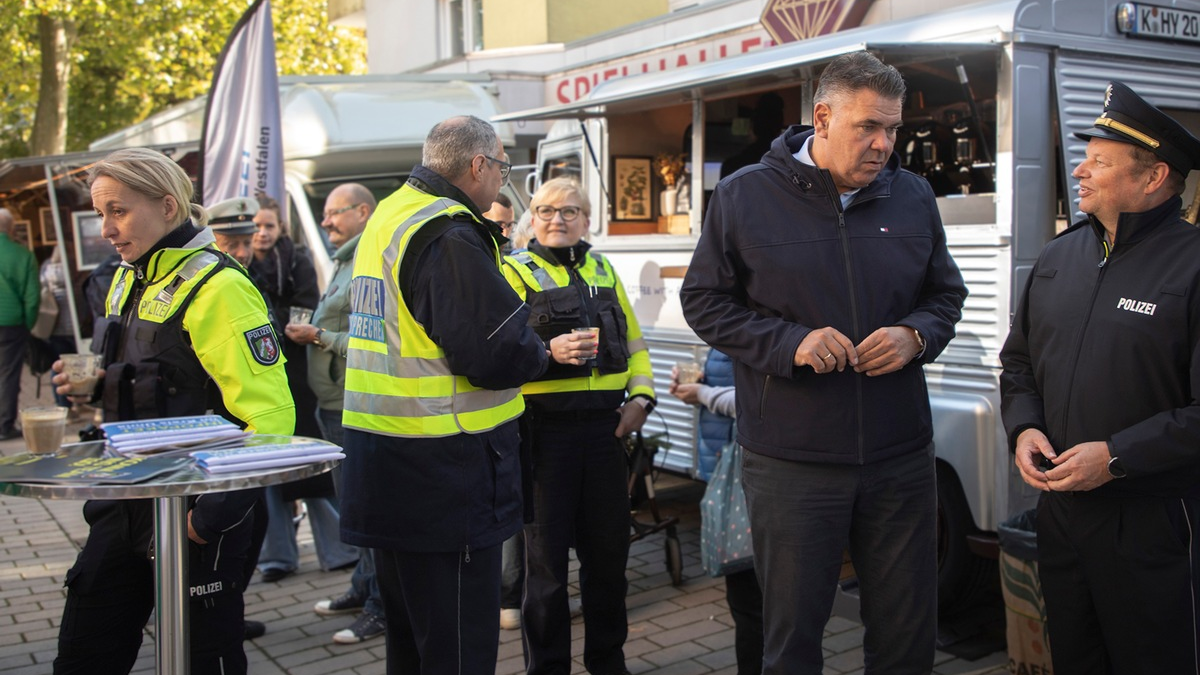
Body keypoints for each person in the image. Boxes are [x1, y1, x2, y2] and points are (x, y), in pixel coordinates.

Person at [680, 50, 967, 675]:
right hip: (793, 461)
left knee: (906, 636)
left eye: (893, 129)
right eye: (869, 126)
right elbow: (703, 301)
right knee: (792, 640)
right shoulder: (743, 196)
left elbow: (945, 296)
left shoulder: (913, 196)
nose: (884, 144)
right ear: (823, 118)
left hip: (899, 456)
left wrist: (915, 336)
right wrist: (790, 344)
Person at [50, 148, 295, 675]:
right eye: (100, 214)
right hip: (124, 501)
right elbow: (133, 381)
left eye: (118, 210)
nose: (107, 228)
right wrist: (83, 390)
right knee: (83, 653)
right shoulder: (126, 275)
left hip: (194, 514)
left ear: (166, 206)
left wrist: (208, 519)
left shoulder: (221, 286)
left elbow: (272, 419)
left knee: (204, 659)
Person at [339, 115, 560, 674]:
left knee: (412, 643)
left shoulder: (392, 213)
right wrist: (541, 350)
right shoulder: (449, 232)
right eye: (503, 168)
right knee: (458, 648)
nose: (502, 182)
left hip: (386, 461)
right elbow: (494, 354)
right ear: (478, 165)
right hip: (446, 471)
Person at [1000, 81, 1200, 675]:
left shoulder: (1192, 266)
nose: (1079, 170)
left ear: (1153, 177)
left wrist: (1114, 457)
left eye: (1099, 161)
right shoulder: (1059, 257)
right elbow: (1019, 363)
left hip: (1153, 525)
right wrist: (1024, 428)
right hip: (1063, 520)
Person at [502, 176, 656, 675]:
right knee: (544, 569)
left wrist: (643, 398)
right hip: (544, 437)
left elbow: (634, 342)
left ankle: (608, 662)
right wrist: (548, 353)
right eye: (546, 210)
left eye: (570, 211)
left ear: (587, 220)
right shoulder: (511, 271)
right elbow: (499, 354)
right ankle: (547, 669)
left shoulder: (603, 267)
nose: (557, 220)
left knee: (609, 559)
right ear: (532, 218)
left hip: (606, 433)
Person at [207, 197, 358, 583]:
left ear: (279, 229)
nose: (259, 235)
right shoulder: (222, 271)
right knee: (264, 472)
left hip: (296, 375)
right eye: (251, 230)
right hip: (251, 386)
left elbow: (307, 306)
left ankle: (337, 550)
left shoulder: (295, 261)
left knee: (310, 470)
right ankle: (276, 555)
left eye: (267, 226)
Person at [289, 183, 388, 645]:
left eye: (334, 213)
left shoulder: (371, 260)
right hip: (333, 404)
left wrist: (319, 338)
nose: (325, 221)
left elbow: (377, 341)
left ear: (363, 212)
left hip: (355, 405)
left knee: (367, 513)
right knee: (353, 509)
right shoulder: (347, 257)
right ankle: (362, 588)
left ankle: (380, 608)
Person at [669, 349, 763, 675]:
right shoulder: (728, 321)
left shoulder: (760, 320)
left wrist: (703, 394)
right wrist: (696, 387)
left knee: (755, 599)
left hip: (754, 471)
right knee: (744, 597)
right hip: (727, 467)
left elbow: (759, 400)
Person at [0, 207, 39, 440]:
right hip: (12, 324)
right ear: (11, 228)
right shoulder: (22, 255)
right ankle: (4, 424)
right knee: (9, 373)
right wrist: (28, 323)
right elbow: (32, 297)